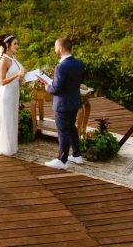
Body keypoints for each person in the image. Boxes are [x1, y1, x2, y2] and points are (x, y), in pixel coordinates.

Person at [44, 37, 85, 169]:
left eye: (56, 47)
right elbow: (74, 82)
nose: (55, 49)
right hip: (74, 102)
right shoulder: (79, 63)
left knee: (63, 131)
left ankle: (62, 160)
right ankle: (77, 155)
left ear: (61, 49)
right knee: (71, 127)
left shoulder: (61, 67)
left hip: (62, 104)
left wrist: (47, 87)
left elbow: (57, 89)